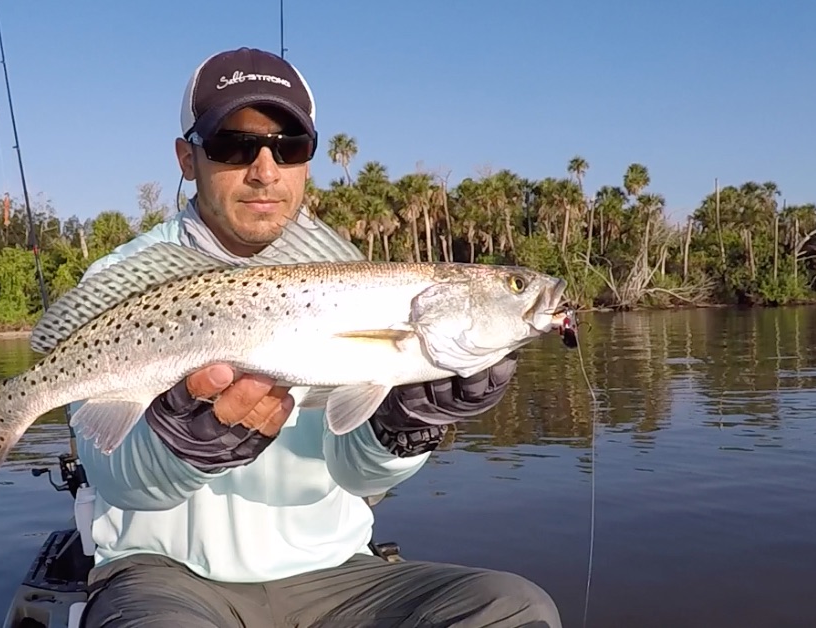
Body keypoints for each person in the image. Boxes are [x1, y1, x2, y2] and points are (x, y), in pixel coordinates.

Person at [75, 47, 561, 628]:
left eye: (289, 147)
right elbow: (113, 478)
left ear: (309, 158)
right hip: (165, 577)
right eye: (234, 144)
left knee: (514, 607)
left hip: (337, 575)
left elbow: (356, 473)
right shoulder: (118, 282)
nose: (264, 169)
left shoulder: (350, 273)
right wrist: (179, 451)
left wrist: (401, 428)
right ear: (187, 158)